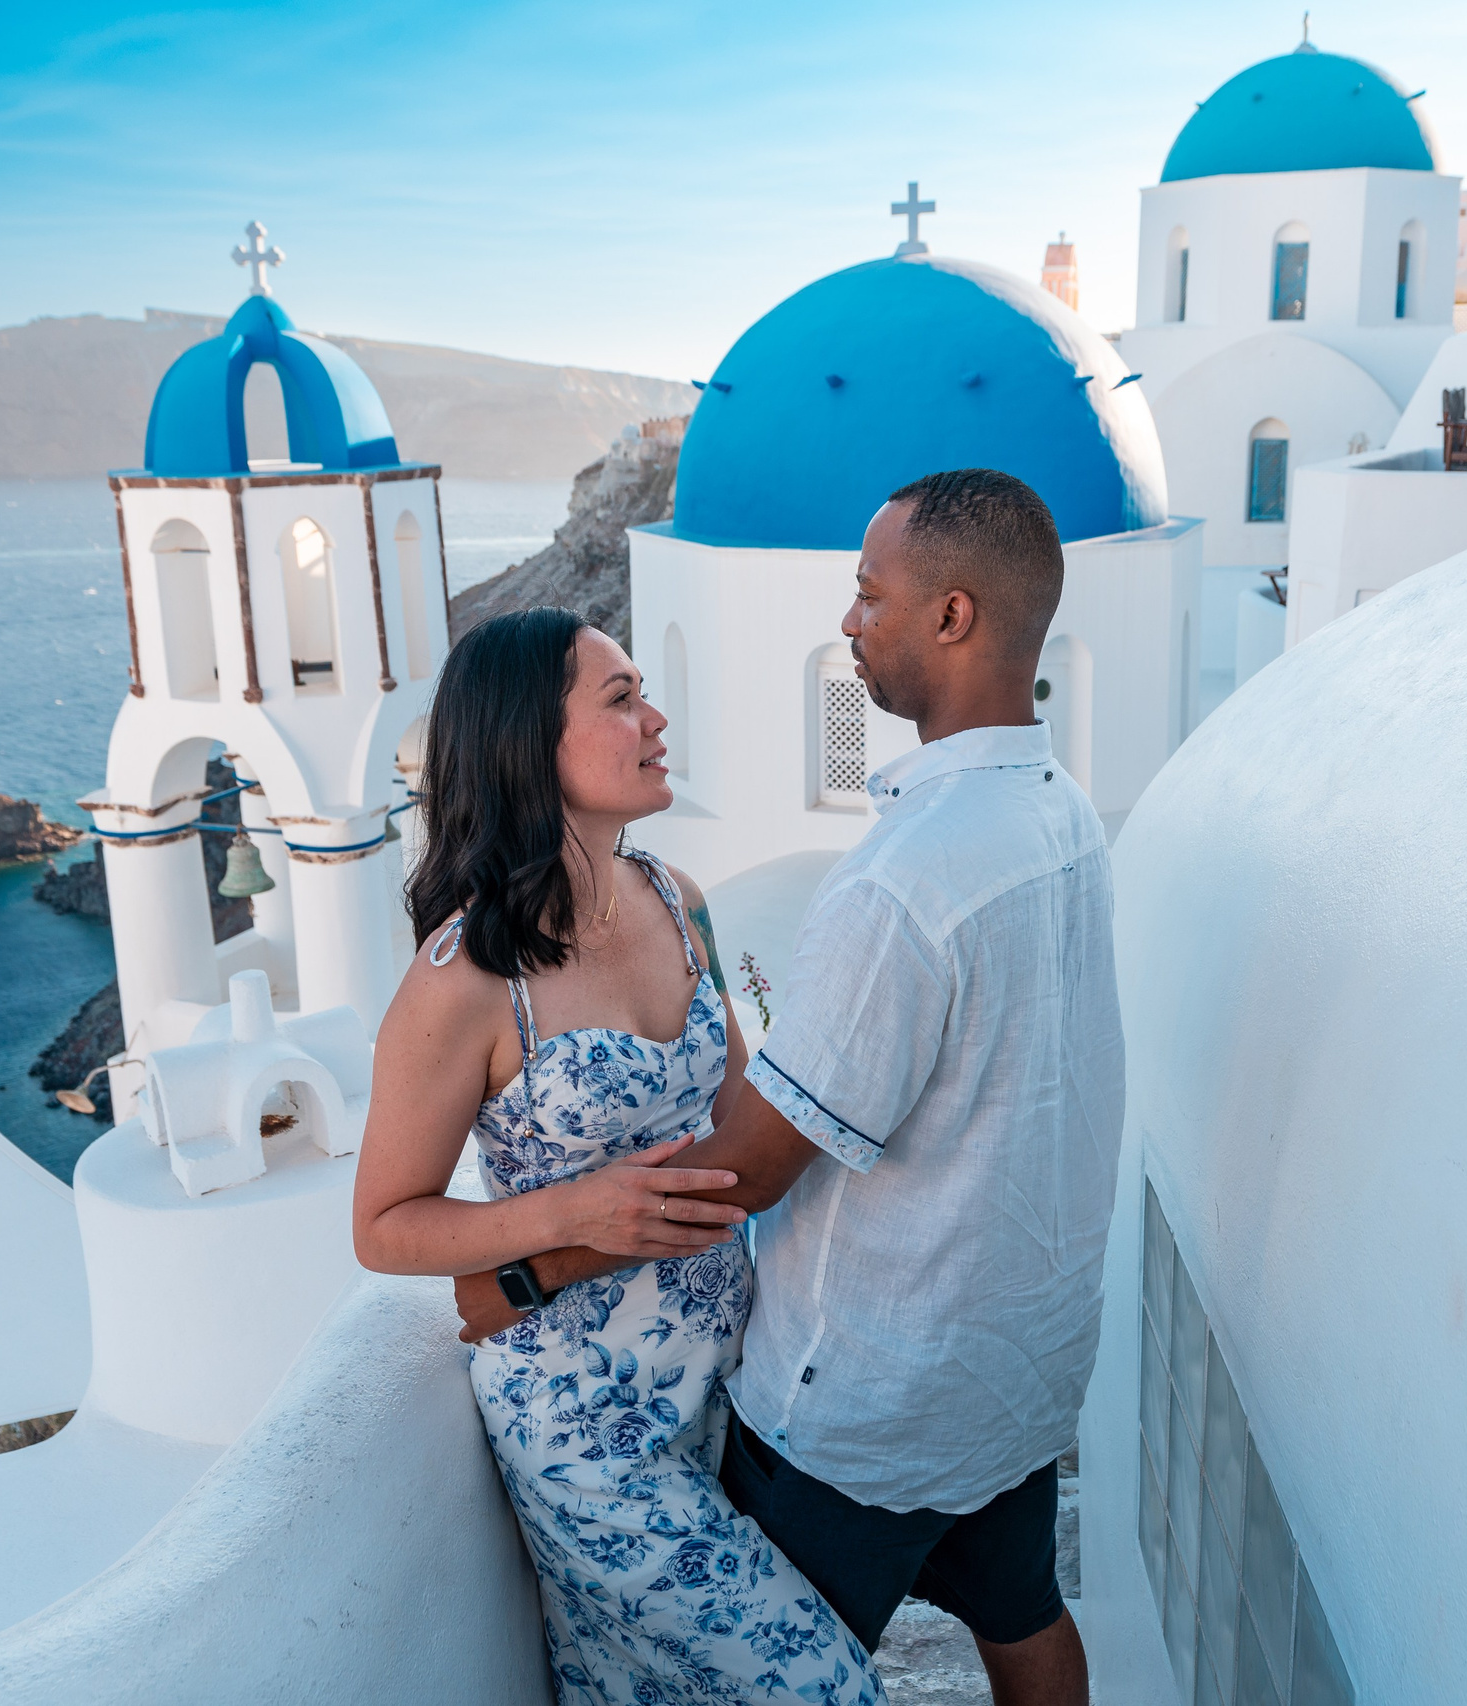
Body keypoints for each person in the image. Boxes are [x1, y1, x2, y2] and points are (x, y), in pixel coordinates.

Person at [452, 469, 1124, 1706]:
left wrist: (520, 1269)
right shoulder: (1062, 810)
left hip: (870, 1396)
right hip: (1013, 1367)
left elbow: (745, 1168)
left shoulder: (901, 882)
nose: (849, 619)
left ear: (953, 617)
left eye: (871, 595)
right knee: (1027, 1621)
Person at [353, 606, 883, 1706]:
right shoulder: (463, 980)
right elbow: (384, 1223)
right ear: (524, 743)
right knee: (824, 1687)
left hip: (738, 1380)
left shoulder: (675, 899)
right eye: (619, 697)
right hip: (586, 1430)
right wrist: (574, 1211)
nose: (654, 717)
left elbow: (739, 1109)